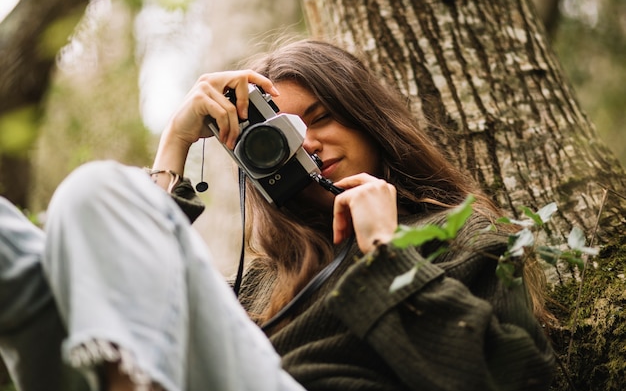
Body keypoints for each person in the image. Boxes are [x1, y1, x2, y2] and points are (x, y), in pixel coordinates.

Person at [0, 39, 555, 391]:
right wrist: (174, 141)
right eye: (283, 134)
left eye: (323, 118)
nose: (308, 144)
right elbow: (143, 300)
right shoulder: (267, 278)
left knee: (97, 188)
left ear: (369, 120)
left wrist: (388, 257)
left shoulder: (465, 238)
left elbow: (516, 377)